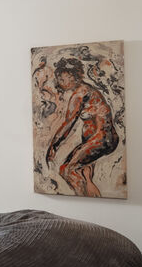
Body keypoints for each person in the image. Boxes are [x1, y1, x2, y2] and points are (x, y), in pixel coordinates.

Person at [46, 57, 119, 197]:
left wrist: (54, 145)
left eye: (62, 79)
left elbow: (68, 123)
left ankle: (81, 199)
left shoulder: (81, 92)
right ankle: (89, 194)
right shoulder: (89, 90)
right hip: (101, 138)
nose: (59, 83)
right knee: (83, 173)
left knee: (67, 170)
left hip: (102, 138)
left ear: (73, 76)